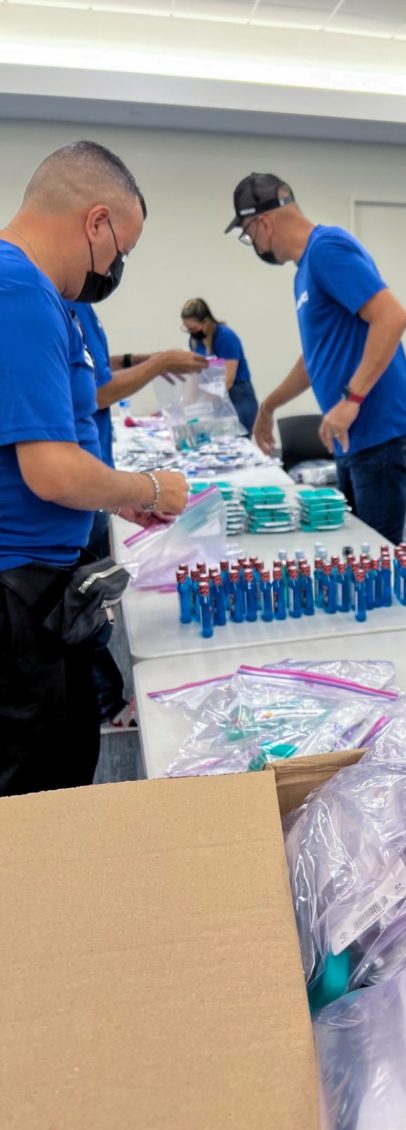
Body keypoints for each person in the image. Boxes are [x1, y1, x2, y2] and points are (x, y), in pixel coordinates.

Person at [0, 140, 188, 796]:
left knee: (63, 757)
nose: (115, 267)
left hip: (38, 582)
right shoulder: (18, 288)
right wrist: (150, 487)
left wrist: (114, 498)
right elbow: (51, 470)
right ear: (96, 221)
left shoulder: (37, 294)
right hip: (17, 589)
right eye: (120, 250)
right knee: (35, 789)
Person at [224, 173, 406, 544]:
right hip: (354, 433)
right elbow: (317, 356)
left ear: (263, 223)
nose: (252, 243)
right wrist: (268, 407)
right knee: (350, 547)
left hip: (380, 428)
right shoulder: (305, 272)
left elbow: (392, 317)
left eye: (248, 234)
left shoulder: (326, 250)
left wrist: (351, 400)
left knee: (374, 557)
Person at [70, 299, 206, 729]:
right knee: (83, 611)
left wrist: (137, 360)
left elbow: (88, 368)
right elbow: (91, 391)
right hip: (79, 489)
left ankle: (101, 700)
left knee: (90, 604)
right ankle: (103, 704)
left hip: (93, 483)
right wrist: (158, 363)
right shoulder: (48, 295)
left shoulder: (78, 304)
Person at [180, 297, 259, 434]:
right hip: (215, 398)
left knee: (237, 442)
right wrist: (189, 406)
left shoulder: (225, 337)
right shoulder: (195, 342)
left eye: (193, 328)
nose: (191, 333)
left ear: (206, 322)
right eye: (187, 329)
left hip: (237, 397)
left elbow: (228, 381)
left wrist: (204, 405)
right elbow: (195, 376)